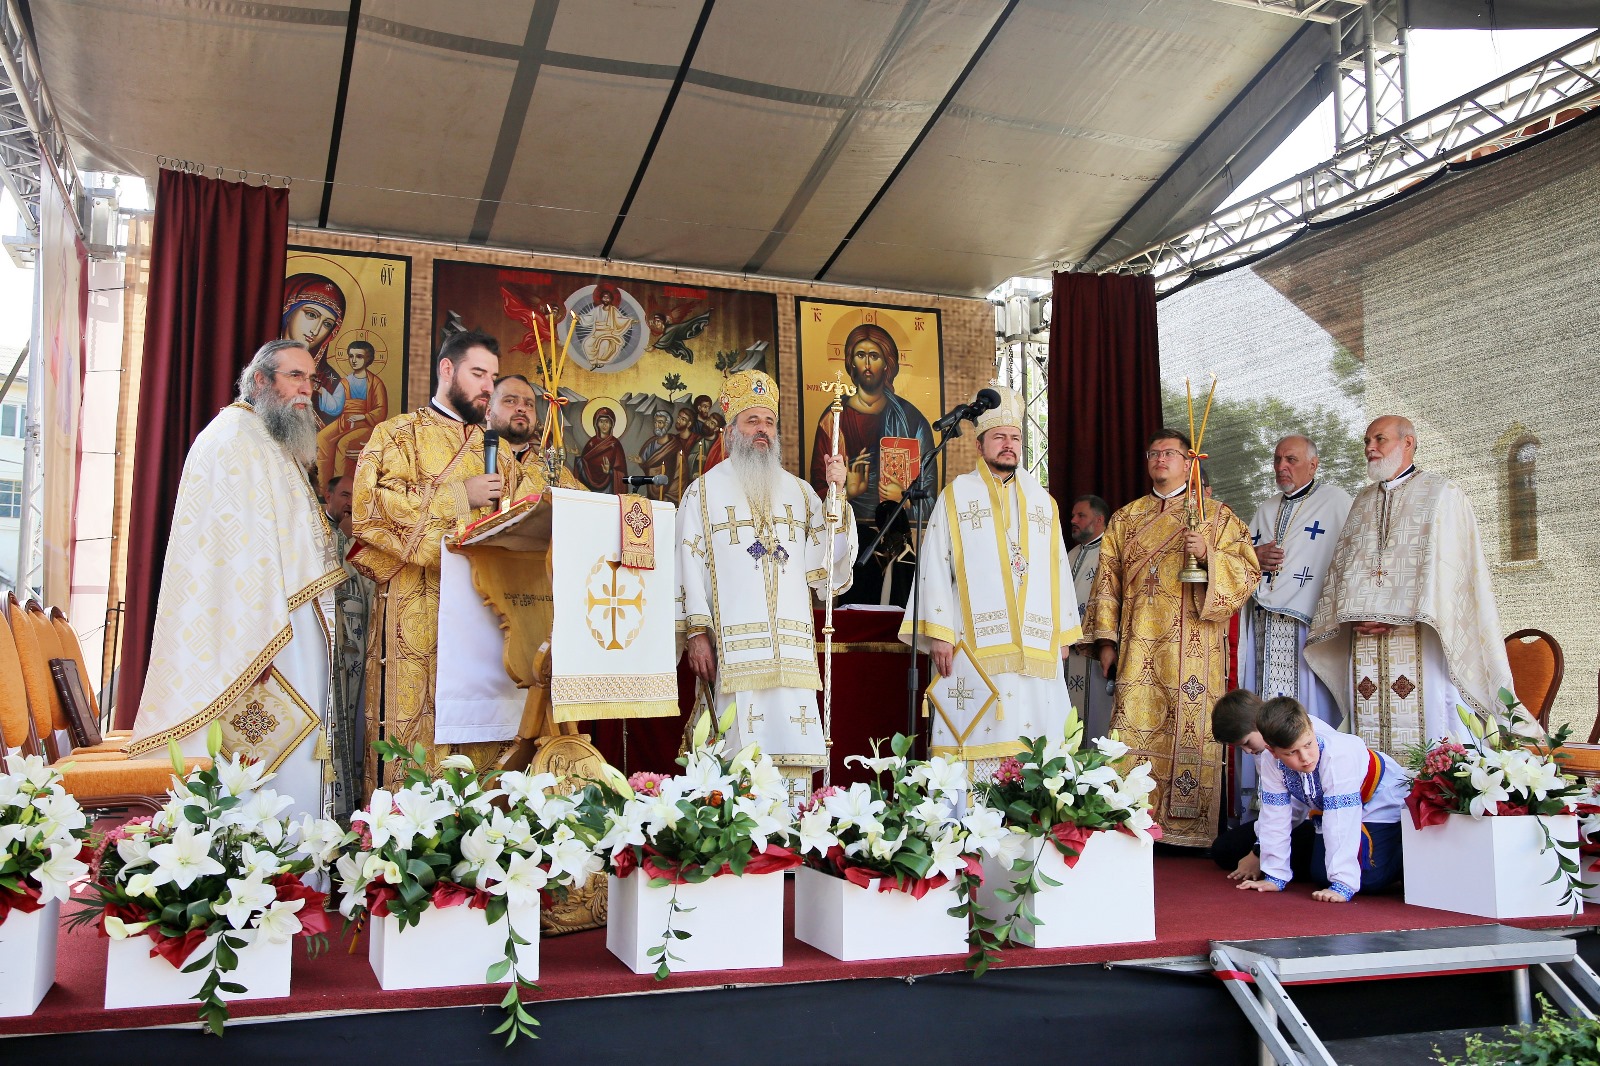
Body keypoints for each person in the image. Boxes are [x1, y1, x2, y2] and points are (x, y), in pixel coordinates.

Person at [126, 340, 346, 822]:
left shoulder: (266, 440)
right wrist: (254, 644)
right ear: (261, 380)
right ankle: (256, 872)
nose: (306, 390)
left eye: (310, 379)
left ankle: (296, 870)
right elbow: (228, 559)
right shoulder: (231, 440)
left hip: (286, 625)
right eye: (294, 376)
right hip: (257, 636)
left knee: (297, 748)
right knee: (263, 753)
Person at [351, 330, 548, 791]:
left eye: (492, 377)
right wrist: (461, 495)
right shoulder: (398, 435)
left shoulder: (501, 453)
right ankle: (407, 833)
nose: (487, 387)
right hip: (418, 609)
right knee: (418, 739)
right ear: (446, 370)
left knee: (485, 739)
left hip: (485, 613)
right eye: (478, 374)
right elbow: (369, 508)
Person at [677, 370, 855, 808]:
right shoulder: (702, 494)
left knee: (791, 755)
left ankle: (791, 840)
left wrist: (837, 497)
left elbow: (826, 566)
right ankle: (737, 842)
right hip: (735, 653)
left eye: (768, 422)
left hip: (793, 655)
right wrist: (697, 633)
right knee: (735, 755)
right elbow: (686, 564)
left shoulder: (800, 493)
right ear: (731, 429)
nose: (761, 430)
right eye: (751, 420)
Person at [1082, 428, 1260, 847]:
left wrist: (1209, 556)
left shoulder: (1216, 516)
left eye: (1169, 453)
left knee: (1191, 726)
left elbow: (1248, 572)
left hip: (1193, 648)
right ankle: (1132, 822)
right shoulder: (1126, 518)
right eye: (1153, 453)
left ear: (1189, 462)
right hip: (1137, 643)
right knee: (1131, 729)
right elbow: (1106, 582)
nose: (1160, 459)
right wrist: (1106, 642)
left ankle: (1185, 829)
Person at [900, 387, 1080, 782]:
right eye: (999, 437)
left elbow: (1057, 570)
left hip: (1036, 648)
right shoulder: (956, 496)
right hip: (973, 646)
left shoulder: (1042, 502)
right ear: (980, 445)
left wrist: (1063, 631)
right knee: (977, 742)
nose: (1009, 445)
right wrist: (940, 635)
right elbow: (933, 566)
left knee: (1037, 744)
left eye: (1015, 438)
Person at [1305, 415, 1515, 754]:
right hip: (1364, 639)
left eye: (1379, 439)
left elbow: (1453, 575)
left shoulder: (1442, 493)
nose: (1369, 448)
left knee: (1432, 723)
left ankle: (1432, 796)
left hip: (1424, 636)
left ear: (1408, 443)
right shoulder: (1361, 501)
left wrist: (1395, 614)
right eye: (1366, 442)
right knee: (1368, 728)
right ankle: (1375, 795)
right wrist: (1350, 614)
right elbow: (1344, 569)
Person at [1230, 695, 1407, 902]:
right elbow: (1274, 816)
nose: (1305, 758)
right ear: (1273, 751)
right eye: (1292, 752)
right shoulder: (1271, 762)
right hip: (1330, 809)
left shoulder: (1337, 756)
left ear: (1312, 729)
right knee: (1321, 875)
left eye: (1308, 744)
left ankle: (1407, 851)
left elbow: (1341, 820)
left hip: (1380, 798)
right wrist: (1275, 875)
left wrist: (1343, 885)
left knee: (1368, 880)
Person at [809, 323, 936, 606]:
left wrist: (902, 502)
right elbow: (815, 497)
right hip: (851, 545)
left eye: (875, 356)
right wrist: (846, 493)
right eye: (860, 355)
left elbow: (930, 500)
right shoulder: (834, 418)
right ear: (850, 362)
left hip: (896, 542)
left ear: (888, 364)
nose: (867, 363)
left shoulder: (912, 420)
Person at [1239, 436, 1350, 722]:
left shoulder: (1335, 501)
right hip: (1264, 622)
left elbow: (1351, 555)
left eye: (1291, 459)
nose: (1281, 466)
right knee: (1263, 700)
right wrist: (1253, 555)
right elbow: (1240, 557)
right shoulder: (1265, 508)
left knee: (1307, 703)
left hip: (1307, 622)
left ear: (1313, 465)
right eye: (1277, 459)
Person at [322, 472, 372, 820]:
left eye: (357, 496)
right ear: (328, 498)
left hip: (358, 663)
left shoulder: (365, 553)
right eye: (344, 494)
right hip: (329, 661)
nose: (350, 502)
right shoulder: (324, 542)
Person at [1064, 494, 1113, 741]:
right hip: (1066, 655)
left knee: (1096, 723)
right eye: (1073, 515)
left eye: (1081, 515)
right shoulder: (1069, 555)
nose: (1073, 520)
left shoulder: (1112, 553)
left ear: (1099, 519)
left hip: (1095, 654)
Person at [314, 339, 390, 488]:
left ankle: (342, 489)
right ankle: (324, 487)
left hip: (366, 425)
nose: (354, 360)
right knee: (322, 438)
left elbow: (381, 410)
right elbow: (335, 406)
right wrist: (321, 390)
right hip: (345, 421)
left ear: (368, 359)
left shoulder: (375, 383)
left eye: (359, 356)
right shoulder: (345, 382)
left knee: (344, 443)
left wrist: (363, 416)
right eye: (351, 356)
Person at [574, 404, 629, 494]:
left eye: (607, 422)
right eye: (601, 421)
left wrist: (610, 472)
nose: (604, 425)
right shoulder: (591, 444)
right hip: (589, 488)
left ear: (612, 424)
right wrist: (578, 457)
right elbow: (583, 468)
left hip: (609, 488)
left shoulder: (615, 444)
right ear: (596, 424)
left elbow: (621, 473)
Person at [488, 374, 541, 463]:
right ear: (488, 412)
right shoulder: (461, 461)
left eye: (529, 404)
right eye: (510, 401)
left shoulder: (552, 473)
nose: (522, 408)